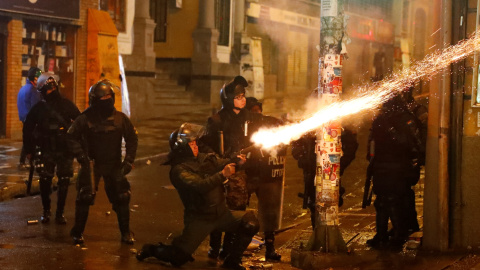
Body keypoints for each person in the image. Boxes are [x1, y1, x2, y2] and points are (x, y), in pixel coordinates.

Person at [136, 123, 259, 270]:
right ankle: (151, 250)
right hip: (200, 219)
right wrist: (222, 175)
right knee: (178, 257)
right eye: (191, 144)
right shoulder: (179, 170)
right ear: (182, 147)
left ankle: (232, 262)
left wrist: (237, 161)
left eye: (195, 143)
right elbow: (200, 185)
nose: (195, 146)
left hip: (221, 214)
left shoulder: (203, 158)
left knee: (250, 223)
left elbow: (222, 163)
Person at [67, 79, 138, 245]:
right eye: (102, 100)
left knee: (122, 196)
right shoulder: (85, 118)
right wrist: (81, 156)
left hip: (113, 163)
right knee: (85, 196)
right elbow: (70, 137)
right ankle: (77, 232)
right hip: (92, 164)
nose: (106, 103)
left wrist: (128, 161)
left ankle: (126, 232)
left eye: (108, 99)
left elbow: (132, 139)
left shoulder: (120, 119)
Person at [198, 76, 253, 260]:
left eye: (243, 95)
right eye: (238, 96)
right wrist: (220, 160)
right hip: (221, 173)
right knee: (218, 210)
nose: (242, 99)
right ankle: (214, 247)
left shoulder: (247, 118)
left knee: (237, 211)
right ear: (228, 98)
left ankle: (227, 248)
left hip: (240, 173)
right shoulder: (216, 121)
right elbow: (203, 146)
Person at [23, 72, 81, 224]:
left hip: (52, 149)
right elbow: (80, 122)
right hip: (58, 149)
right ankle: (57, 213)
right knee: (60, 180)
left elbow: (27, 129)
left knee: (48, 180)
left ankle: (48, 212)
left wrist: (29, 150)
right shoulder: (66, 104)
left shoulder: (39, 108)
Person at [365, 94, 422, 249]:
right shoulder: (381, 119)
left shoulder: (404, 119)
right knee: (381, 202)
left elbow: (411, 143)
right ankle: (382, 235)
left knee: (394, 201)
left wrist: (413, 165)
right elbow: (372, 142)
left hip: (398, 167)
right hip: (382, 166)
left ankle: (399, 235)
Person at [243, 97, 285, 261]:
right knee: (237, 209)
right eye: (253, 111)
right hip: (248, 174)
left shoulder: (270, 123)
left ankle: (270, 247)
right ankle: (229, 247)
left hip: (266, 175)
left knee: (269, 212)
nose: (257, 113)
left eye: (258, 109)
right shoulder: (242, 127)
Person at [291, 126, 358, 229]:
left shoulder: (337, 126)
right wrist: (302, 159)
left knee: (329, 204)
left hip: (330, 171)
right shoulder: (310, 124)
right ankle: (317, 232)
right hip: (311, 172)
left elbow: (350, 146)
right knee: (314, 205)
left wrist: (338, 166)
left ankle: (328, 232)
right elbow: (297, 144)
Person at [17, 67, 43, 168]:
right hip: (30, 118)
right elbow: (36, 107)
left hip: (24, 117)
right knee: (33, 139)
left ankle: (22, 161)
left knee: (27, 138)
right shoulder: (33, 90)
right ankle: (32, 160)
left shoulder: (23, 88)